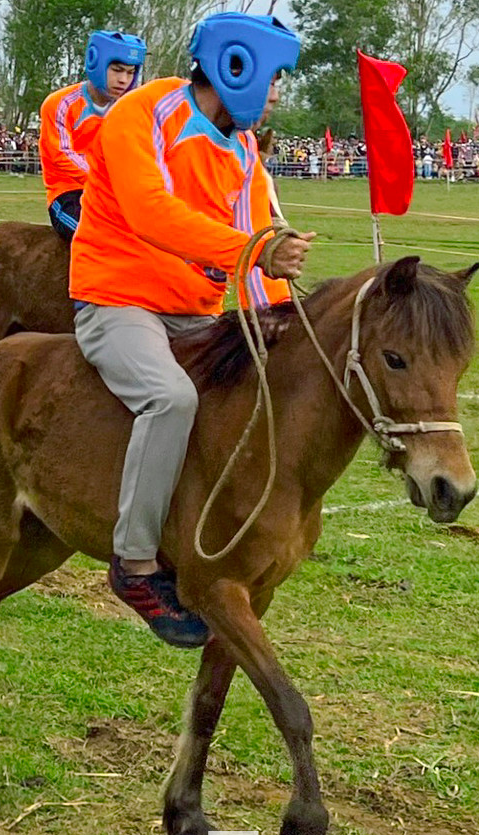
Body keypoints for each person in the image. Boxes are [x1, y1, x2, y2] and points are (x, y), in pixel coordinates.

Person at [69, 12, 315, 647]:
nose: (279, 93)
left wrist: (281, 322)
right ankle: (137, 564)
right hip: (117, 301)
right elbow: (152, 212)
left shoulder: (245, 150)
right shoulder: (142, 113)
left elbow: (258, 244)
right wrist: (254, 251)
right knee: (171, 399)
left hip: (195, 311)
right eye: (277, 78)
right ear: (239, 67)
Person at [39, 30, 147, 241]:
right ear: (96, 62)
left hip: (116, 194)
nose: (124, 79)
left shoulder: (131, 107)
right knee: (97, 238)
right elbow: (62, 155)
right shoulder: (60, 104)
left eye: (130, 72)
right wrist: (109, 180)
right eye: (117, 70)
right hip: (69, 193)